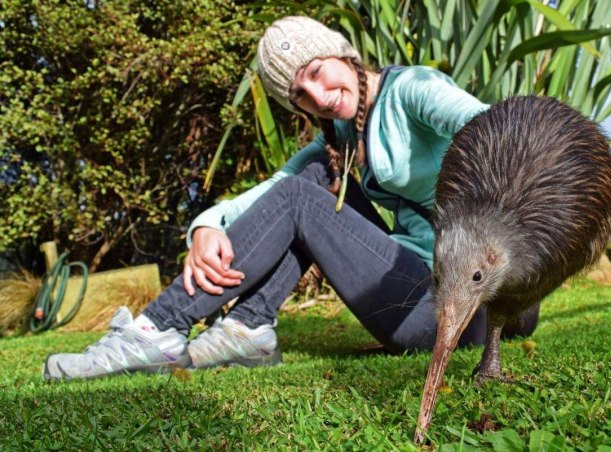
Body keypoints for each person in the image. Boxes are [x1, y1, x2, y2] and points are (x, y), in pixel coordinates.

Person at [43, 16, 540, 381]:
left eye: (318, 71)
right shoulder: (341, 139)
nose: (318, 96)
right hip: (422, 290)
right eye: (300, 94)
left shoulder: (411, 89)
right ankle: (249, 327)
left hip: (454, 304)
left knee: (301, 197)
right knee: (308, 183)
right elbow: (274, 189)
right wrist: (207, 225)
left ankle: (159, 329)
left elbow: (499, 131)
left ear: (343, 54)